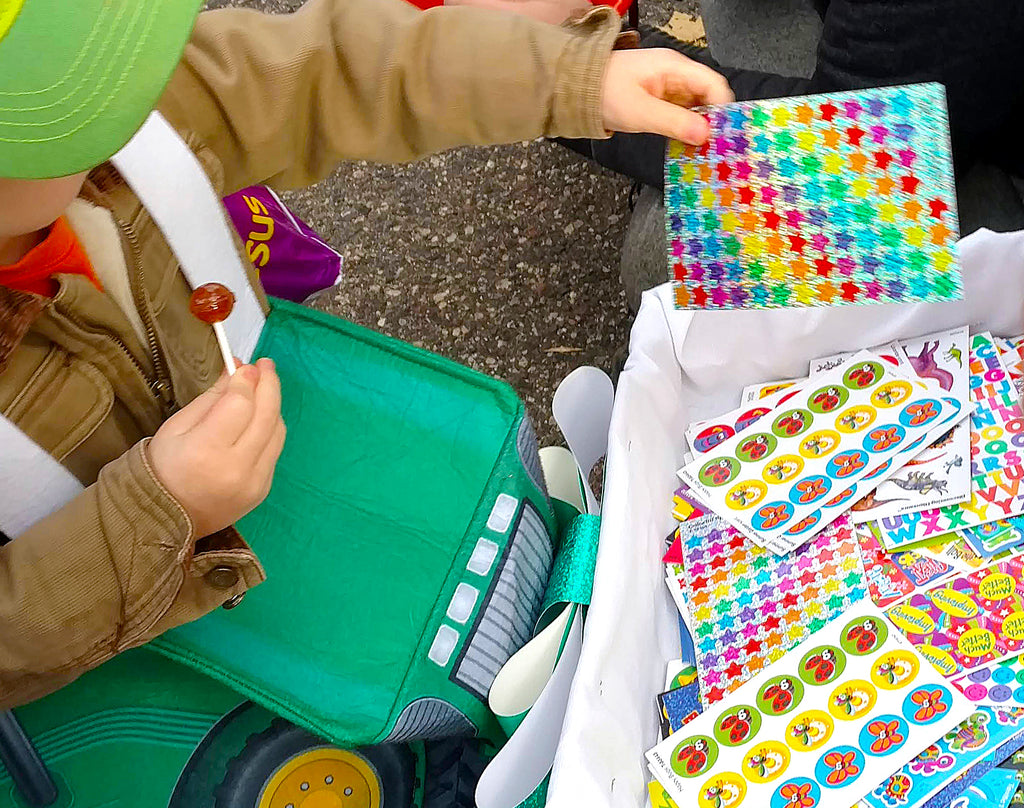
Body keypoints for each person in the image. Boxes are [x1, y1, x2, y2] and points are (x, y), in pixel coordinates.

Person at [0, 0, 732, 708]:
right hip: (163, 665)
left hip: (324, 453)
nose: (132, 88)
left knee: (467, 585)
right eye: (68, 98)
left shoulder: (136, 112)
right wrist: (156, 515)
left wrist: (569, 76)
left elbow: (333, 69)